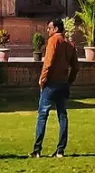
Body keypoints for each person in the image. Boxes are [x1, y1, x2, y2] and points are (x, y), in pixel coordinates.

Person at [31, 18, 78, 160]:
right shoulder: (70, 44)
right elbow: (76, 67)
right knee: (62, 116)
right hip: (63, 84)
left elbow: (48, 62)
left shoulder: (53, 41)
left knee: (42, 115)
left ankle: (37, 149)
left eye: (50, 28)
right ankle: (60, 151)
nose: (48, 30)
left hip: (51, 84)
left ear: (56, 29)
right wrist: (69, 81)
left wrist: (42, 79)